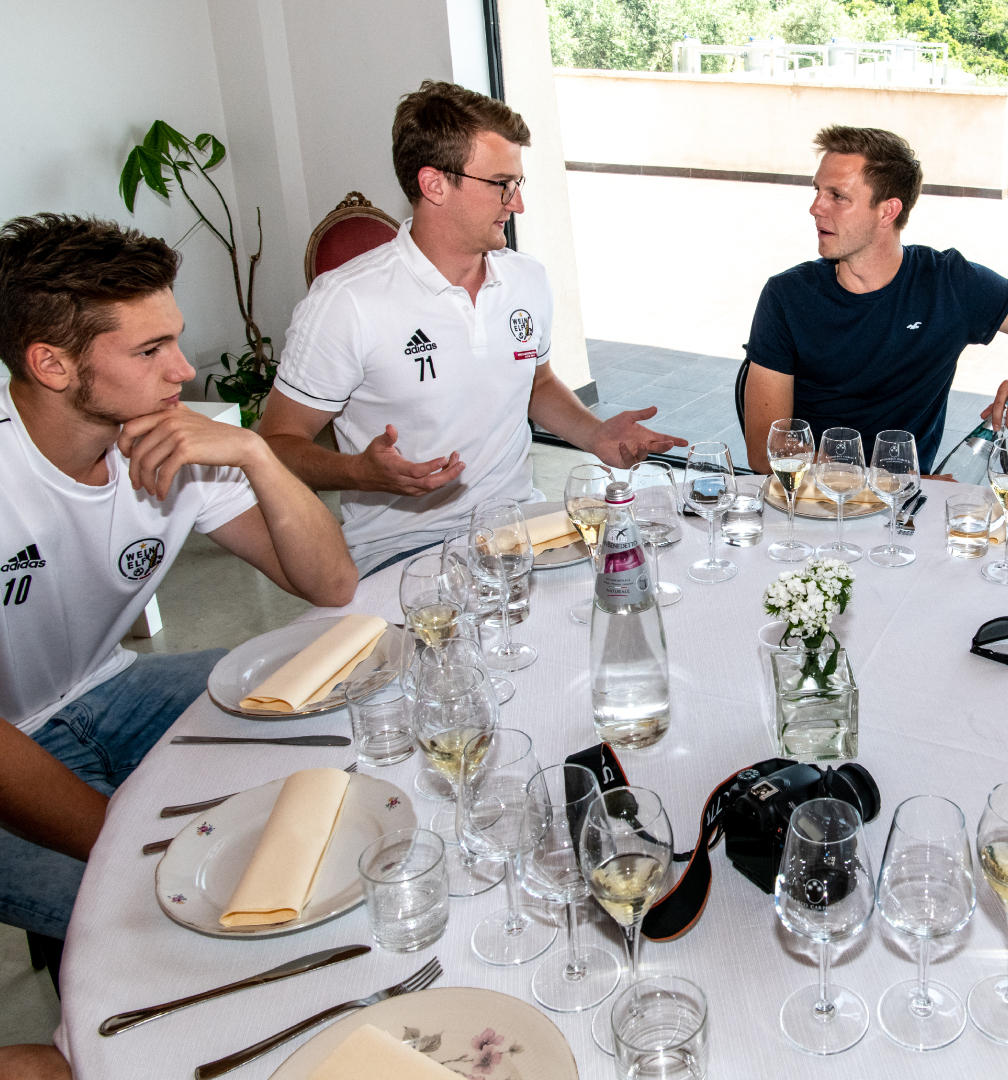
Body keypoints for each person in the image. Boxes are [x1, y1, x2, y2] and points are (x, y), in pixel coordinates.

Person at [0, 213, 357, 1078]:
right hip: (10, 742)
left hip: (108, 686)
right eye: (150, 350)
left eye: (177, 339)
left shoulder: (178, 438)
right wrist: (129, 842)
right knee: (162, 913)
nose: (184, 369)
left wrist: (257, 456)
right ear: (52, 364)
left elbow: (330, 584)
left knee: (342, 701)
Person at [259, 80, 684, 576]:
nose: (517, 204)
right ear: (434, 184)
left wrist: (597, 435)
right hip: (403, 551)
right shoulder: (346, 301)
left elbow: (536, 383)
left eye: (517, 183)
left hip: (522, 530)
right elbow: (276, 443)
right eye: (501, 184)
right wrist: (358, 472)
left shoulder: (527, 279)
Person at [742, 125, 1008, 475]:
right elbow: (763, 450)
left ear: (888, 210)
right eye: (818, 191)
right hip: (810, 501)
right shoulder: (787, 296)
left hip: (905, 507)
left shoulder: (949, 283)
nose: (816, 207)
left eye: (837, 196)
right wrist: (882, 482)